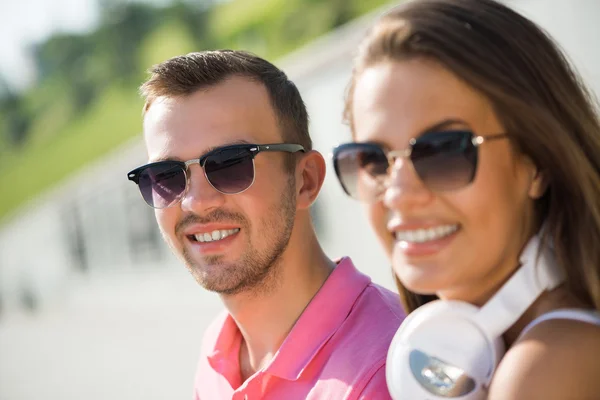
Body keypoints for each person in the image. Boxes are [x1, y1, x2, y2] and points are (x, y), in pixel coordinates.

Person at [332, 0, 600, 398]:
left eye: (443, 152)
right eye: (374, 160)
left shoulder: (545, 369)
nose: (400, 194)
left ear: (537, 162)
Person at [126, 49, 405, 399]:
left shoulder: (389, 371)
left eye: (229, 164)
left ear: (305, 180)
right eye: (166, 176)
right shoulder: (218, 351)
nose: (196, 201)